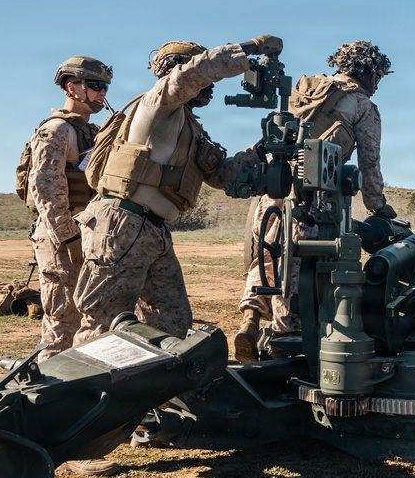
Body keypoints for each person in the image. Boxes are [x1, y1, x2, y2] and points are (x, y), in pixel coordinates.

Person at [73, 35, 283, 350]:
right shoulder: (159, 103)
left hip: (151, 232)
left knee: (172, 328)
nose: (212, 86)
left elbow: (222, 175)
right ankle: (82, 396)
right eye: (205, 81)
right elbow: (199, 71)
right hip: (120, 225)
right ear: (180, 74)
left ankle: (156, 395)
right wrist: (252, 46)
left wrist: (262, 148)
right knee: (102, 327)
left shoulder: (188, 126)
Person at [234, 40, 395, 361]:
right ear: (364, 72)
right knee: (295, 274)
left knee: (268, 259)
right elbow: (369, 164)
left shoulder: (309, 90)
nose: (377, 85)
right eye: (377, 76)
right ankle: (285, 345)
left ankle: (249, 322)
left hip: (273, 187)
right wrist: (379, 207)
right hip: (310, 196)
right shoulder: (361, 105)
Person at [25, 56, 112, 362]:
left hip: (87, 236)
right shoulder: (57, 130)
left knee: (90, 325)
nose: (102, 93)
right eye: (96, 86)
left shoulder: (92, 131)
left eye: (105, 87)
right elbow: (45, 189)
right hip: (61, 240)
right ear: (72, 86)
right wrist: (68, 237)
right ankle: (48, 397)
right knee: (62, 327)